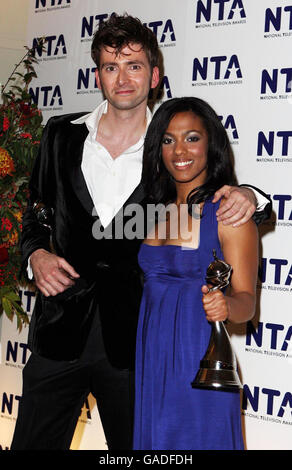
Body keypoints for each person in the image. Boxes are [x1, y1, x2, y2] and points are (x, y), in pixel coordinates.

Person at [11, 14, 270, 451]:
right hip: (58, 333)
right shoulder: (59, 135)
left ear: (154, 75)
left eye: (134, 66)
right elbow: (34, 213)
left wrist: (251, 194)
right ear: (98, 76)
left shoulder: (170, 146)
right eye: (111, 67)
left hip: (136, 345)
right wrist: (35, 254)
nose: (122, 78)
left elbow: (215, 202)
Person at [133, 97, 259, 450]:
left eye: (192, 138)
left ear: (211, 144)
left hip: (198, 359)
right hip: (152, 359)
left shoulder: (229, 215)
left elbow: (247, 302)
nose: (179, 150)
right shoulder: (150, 210)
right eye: (168, 140)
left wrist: (227, 307)